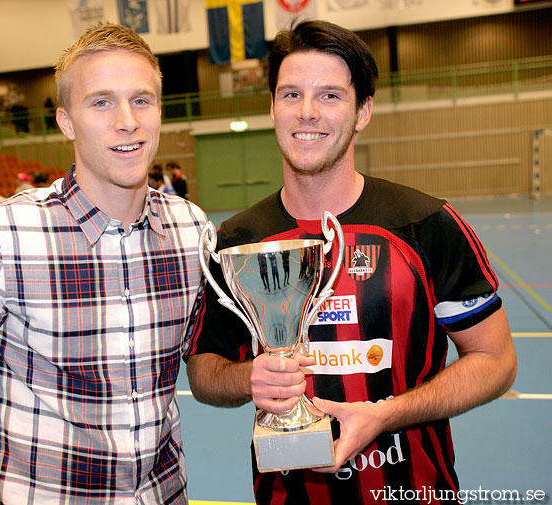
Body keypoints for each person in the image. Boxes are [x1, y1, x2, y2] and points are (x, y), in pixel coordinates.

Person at [185, 20, 517, 505]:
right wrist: (247, 376)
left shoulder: (425, 223)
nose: (307, 113)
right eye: (291, 94)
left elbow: (496, 359)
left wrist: (387, 414)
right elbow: (203, 372)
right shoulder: (237, 242)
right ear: (272, 107)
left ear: (363, 111)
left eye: (330, 96)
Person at [0, 22, 207, 505]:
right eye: (101, 102)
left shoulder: (191, 229)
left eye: (142, 100)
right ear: (66, 121)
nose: (127, 120)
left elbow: (201, 358)